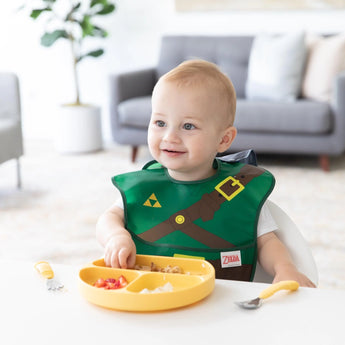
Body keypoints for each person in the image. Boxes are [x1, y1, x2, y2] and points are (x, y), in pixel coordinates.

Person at [96, 59, 315, 287]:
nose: (170, 136)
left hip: (223, 304)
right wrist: (115, 237)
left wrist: (285, 270)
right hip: (150, 297)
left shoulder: (239, 191)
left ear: (223, 139)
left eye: (188, 126)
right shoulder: (142, 187)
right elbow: (108, 218)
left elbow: (267, 242)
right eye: (160, 122)